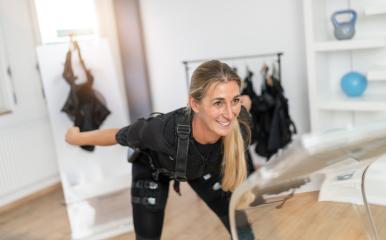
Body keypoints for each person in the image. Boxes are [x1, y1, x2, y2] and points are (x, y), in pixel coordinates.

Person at [65, 60, 255, 240]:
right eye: (218, 102)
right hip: (153, 169)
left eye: (234, 100)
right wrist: (77, 137)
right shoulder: (162, 131)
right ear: (195, 104)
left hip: (199, 169)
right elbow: (118, 135)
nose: (230, 114)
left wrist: (243, 100)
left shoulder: (241, 126)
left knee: (242, 230)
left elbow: (245, 104)